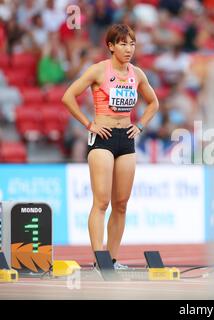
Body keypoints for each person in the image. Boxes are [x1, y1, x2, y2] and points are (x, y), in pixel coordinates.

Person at [61, 24, 159, 269]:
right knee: (101, 202)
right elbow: (68, 96)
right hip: (102, 137)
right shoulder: (98, 71)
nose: (129, 49)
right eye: (123, 44)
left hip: (126, 138)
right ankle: (99, 258)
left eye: (132, 44)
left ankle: (111, 260)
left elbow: (153, 103)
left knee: (122, 204)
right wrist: (88, 124)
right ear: (111, 46)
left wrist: (141, 125)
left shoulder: (138, 73)